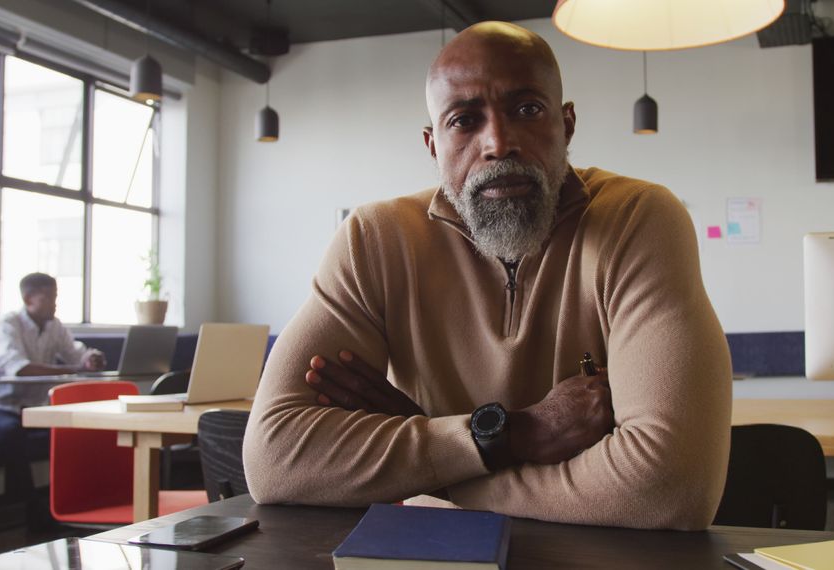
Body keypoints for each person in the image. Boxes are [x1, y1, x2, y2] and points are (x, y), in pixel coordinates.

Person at [243, 22, 732, 531]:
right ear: (433, 146)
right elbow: (274, 459)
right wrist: (510, 434)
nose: (498, 142)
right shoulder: (374, 239)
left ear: (565, 125)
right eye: (464, 120)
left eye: (527, 110)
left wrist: (438, 470)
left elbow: (671, 486)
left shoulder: (637, 218)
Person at [0, 272, 105, 522]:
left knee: (73, 430)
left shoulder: (54, 325)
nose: (54, 303)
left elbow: (75, 353)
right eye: (49, 297)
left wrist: (89, 359)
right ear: (28, 299)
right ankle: (32, 510)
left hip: (36, 408)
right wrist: (72, 369)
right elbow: (21, 368)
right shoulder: (6, 324)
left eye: (56, 296)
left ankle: (76, 500)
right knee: (11, 432)